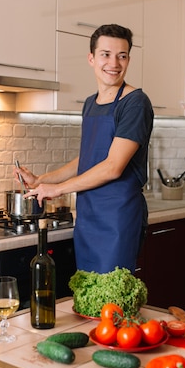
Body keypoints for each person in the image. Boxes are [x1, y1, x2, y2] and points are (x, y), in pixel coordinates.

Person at [15, 24, 154, 274]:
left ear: (129, 60)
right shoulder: (90, 103)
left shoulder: (135, 103)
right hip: (88, 215)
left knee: (113, 300)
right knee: (88, 299)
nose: (114, 62)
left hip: (117, 218)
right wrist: (40, 180)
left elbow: (112, 167)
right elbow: (90, 159)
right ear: (91, 58)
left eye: (122, 55)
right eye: (106, 54)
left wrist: (57, 189)